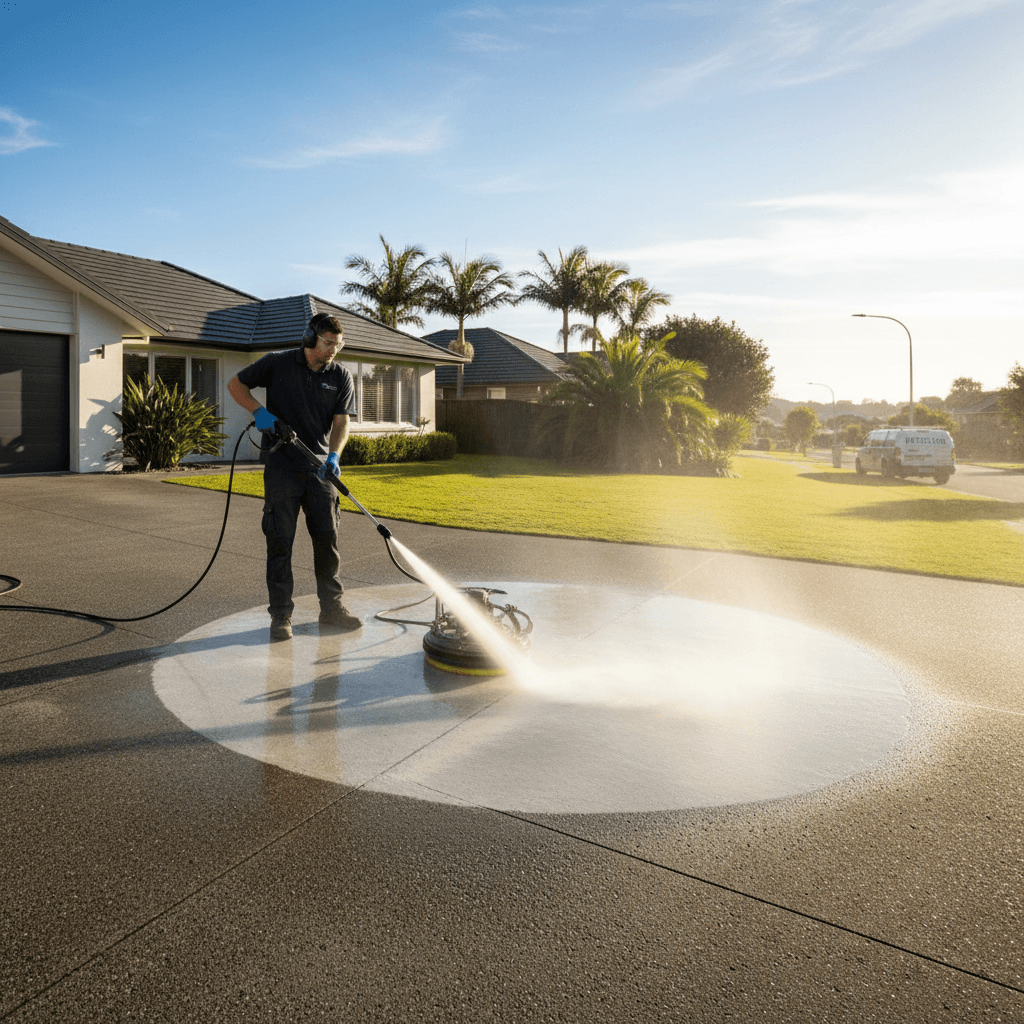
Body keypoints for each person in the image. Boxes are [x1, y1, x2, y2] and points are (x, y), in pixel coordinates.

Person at [227, 312, 362, 641]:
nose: (333, 350)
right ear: (310, 338)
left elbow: (342, 422)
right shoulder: (277, 363)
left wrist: (334, 455)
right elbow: (236, 384)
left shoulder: (340, 375)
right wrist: (259, 411)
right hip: (282, 469)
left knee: (327, 542)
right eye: (328, 343)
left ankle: (332, 608)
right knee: (280, 544)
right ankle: (281, 616)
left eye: (338, 345)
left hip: (320, 471)